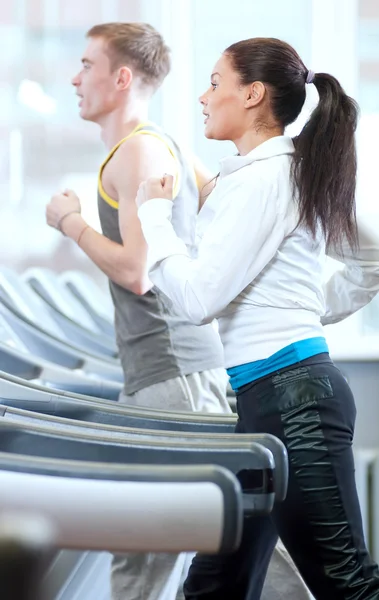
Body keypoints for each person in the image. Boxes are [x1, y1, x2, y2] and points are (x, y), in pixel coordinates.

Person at [45, 24, 311, 600]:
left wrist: (71, 223)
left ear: (121, 78)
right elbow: (220, 206)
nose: (75, 77)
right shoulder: (164, 144)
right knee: (240, 537)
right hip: (177, 370)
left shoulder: (139, 149)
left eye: (86, 65)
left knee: (145, 548)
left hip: (171, 374)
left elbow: (139, 272)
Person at [135, 37, 379, 600]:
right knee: (215, 584)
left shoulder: (262, 179)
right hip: (270, 400)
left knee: (349, 586)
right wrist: (304, 308)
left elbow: (199, 299)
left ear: (252, 94)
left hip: (292, 404)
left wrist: (154, 217)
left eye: (214, 82)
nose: (204, 97)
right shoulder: (286, 174)